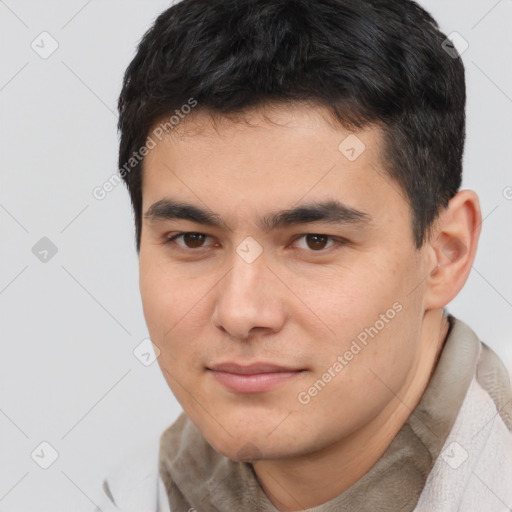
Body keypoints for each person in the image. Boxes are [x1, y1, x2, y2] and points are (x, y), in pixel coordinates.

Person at [95, 0, 512, 510]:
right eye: (193, 239)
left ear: (445, 253)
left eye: (315, 241)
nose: (241, 313)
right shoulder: (139, 494)